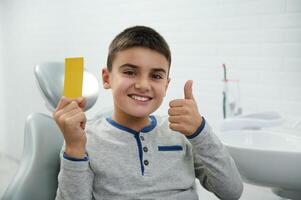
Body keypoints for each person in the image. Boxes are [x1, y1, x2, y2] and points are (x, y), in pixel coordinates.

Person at [53, 25, 243, 200]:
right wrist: (75, 148)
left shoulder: (180, 133)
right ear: (107, 78)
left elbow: (231, 192)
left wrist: (200, 131)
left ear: (166, 85)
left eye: (156, 76)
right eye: (129, 72)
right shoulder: (83, 140)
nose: (143, 85)